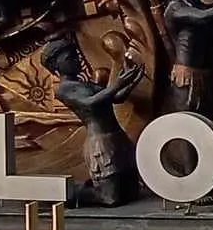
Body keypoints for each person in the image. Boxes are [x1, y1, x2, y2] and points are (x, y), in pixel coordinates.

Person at [42, 36, 145, 207]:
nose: (76, 61)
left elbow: (115, 98)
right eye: (70, 58)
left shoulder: (86, 84)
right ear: (56, 66)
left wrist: (131, 79)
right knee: (110, 198)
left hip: (117, 136)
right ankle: (72, 194)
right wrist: (117, 84)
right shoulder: (64, 90)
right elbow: (91, 102)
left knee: (131, 190)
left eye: (76, 56)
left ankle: (94, 186)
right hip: (101, 141)